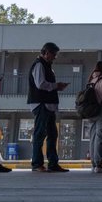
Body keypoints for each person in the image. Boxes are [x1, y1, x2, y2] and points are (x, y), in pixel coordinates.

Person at [27, 42, 70, 173]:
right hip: (41, 103)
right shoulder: (39, 65)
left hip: (47, 104)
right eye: (53, 54)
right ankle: (37, 163)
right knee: (40, 133)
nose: (54, 57)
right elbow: (40, 84)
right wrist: (56, 86)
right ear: (46, 53)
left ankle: (53, 163)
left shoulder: (46, 66)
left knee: (52, 134)